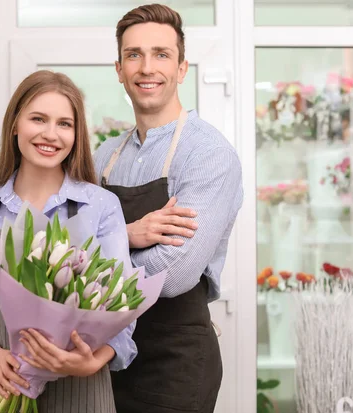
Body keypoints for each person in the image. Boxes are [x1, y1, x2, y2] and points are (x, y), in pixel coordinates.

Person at [0, 70, 135, 413]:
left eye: (64, 124)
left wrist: (91, 362)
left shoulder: (100, 206)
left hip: (81, 392)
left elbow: (122, 309)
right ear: (15, 125)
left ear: (76, 133)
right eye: (38, 119)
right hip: (0, 388)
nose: (50, 134)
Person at [93, 4, 244, 413]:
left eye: (161, 54)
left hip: (174, 363)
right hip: (101, 355)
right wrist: (127, 234)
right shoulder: (103, 156)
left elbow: (175, 274)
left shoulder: (208, 154)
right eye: (133, 55)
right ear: (119, 68)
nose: (147, 67)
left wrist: (92, 263)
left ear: (181, 69)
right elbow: (67, 241)